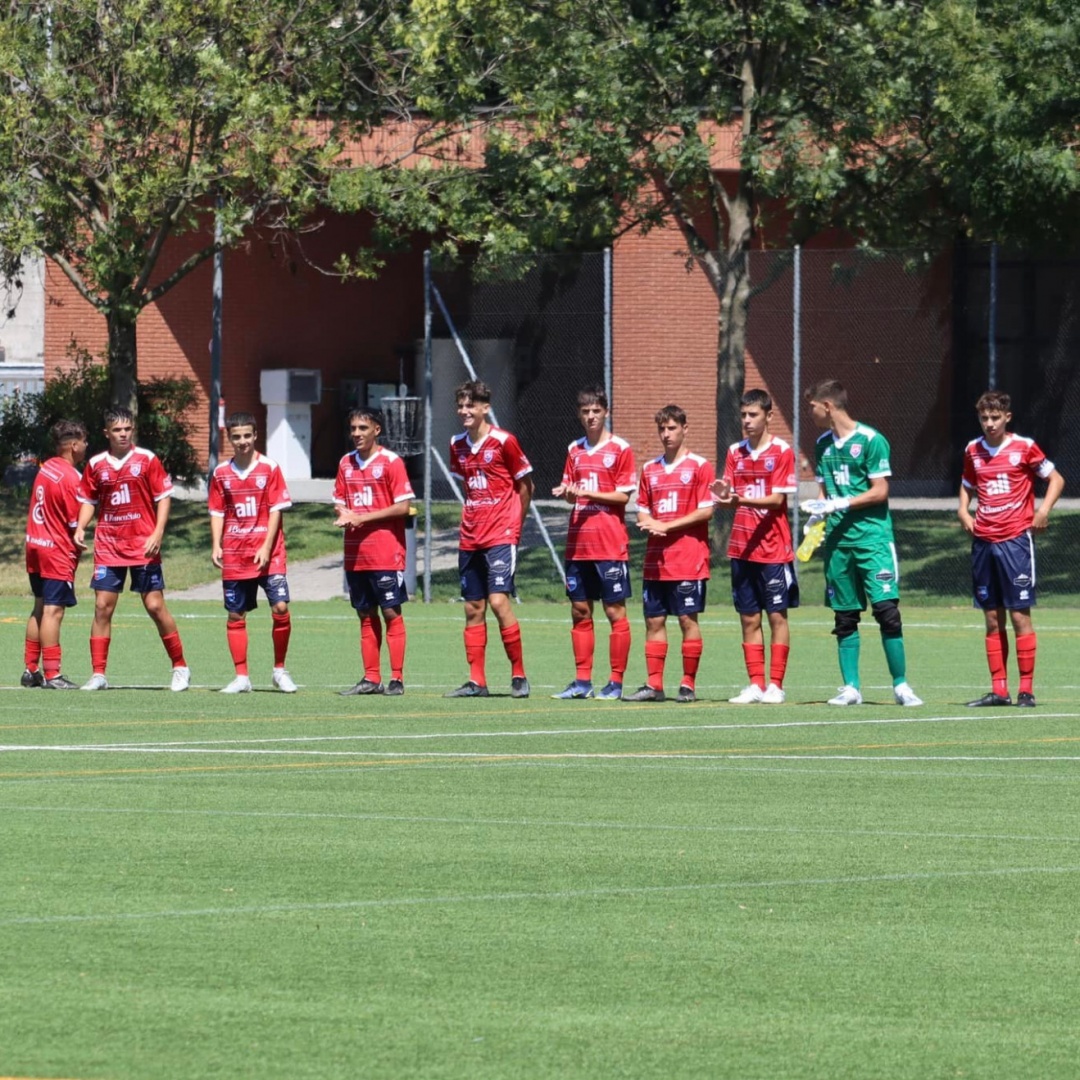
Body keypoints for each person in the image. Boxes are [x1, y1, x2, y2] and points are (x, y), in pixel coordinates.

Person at [801, 379, 922, 707]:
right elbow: (825, 492)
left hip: (873, 540)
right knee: (844, 616)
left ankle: (901, 685)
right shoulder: (822, 444)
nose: (808, 412)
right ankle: (851, 688)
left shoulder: (871, 440)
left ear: (827, 406)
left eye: (811, 406)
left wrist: (840, 504)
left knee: (887, 612)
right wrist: (816, 519)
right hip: (839, 544)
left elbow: (880, 490)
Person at [958, 390, 1065, 707]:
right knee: (992, 618)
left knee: (1019, 616)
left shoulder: (1024, 447)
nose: (989, 424)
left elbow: (1056, 479)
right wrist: (964, 512)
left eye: (994, 418)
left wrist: (1043, 510)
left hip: (1016, 541)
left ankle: (1026, 691)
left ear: (1007, 417)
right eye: (984, 418)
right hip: (983, 542)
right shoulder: (973, 450)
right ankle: (999, 690)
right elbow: (967, 485)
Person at [74, 407, 191, 691]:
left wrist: (157, 532)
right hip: (109, 544)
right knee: (102, 607)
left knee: (154, 605)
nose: (123, 433)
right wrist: (80, 527)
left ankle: (180, 667)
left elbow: (163, 497)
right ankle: (98, 674)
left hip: (143, 546)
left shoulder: (147, 459)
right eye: (117, 430)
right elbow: (89, 500)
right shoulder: (96, 464)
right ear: (107, 433)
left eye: (127, 429)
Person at [445, 380, 534, 698]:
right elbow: (470, 488)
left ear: (485, 408)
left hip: (501, 533)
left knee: (498, 601)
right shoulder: (456, 444)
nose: (465, 411)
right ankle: (476, 681)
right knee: (473, 608)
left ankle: (519, 675)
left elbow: (526, 486)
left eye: (472, 405)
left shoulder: (504, 441)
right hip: (471, 535)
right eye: (461, 405)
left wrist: (514, 525)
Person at [551, 384, 636, 700]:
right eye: (585, 412)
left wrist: (586, 492)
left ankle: (615, 683)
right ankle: (582, 682)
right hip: (579, 545)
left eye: (596, 411)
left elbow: (623, 495)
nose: (591, 416)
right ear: (579, 414)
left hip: (610, 544)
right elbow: (568, 487)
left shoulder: (620, 449)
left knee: (615, 612)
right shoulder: (574, 449)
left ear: (606, 412)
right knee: (579, 611)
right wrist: (570, 493)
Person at [712, 389, 798, 704]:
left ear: (768, 416)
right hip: (741, 547)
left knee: (777, 616)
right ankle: (755, 684)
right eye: (744, 415)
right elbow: (728, 495)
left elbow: (777, 500)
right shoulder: (736, 452)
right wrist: (721, 495)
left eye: (753, 415)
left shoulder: (782, 451)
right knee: (749, 618)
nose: (747, 421)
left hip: (774, 549)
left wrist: (738, 499)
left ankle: (776, 684)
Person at [626, 404, 716, 704]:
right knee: (654, 621)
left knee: (687, 621)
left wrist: (667, 525)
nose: (666, 434)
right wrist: (648, 523)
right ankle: (654, 685)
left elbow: (706, 511)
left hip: (688, 559)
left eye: (672, 428)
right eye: (662, 429)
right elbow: (642, 511)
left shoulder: (700, 467)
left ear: (684, 429)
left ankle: (688, 684)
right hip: (656, 561)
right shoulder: (649, 469)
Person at [208, 412, 296, 694]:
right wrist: (216, 544)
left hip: (268, 553)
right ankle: (241, 677)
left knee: (280, 607)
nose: (242, 441)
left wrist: (267, 546)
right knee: (236, 614)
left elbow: (276, 510)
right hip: (235, 552)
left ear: (255, 435)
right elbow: (217, 511)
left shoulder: (269, 468)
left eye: (247, 435)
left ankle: (279, 671)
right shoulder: (221, 473)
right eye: (237, 436)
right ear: (229, 438)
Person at [333, 407, 415, 696]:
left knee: (391, 611)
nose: (356, 433)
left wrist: (361, 517)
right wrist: (343, 514)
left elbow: (404, 507)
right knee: (365, 613)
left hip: (385, 551)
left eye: (363, 428)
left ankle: (396, 678)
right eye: (353, 428)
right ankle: (371, 678)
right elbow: (340, 500)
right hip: (356, 554)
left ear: (376, 430)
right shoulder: (345, 463)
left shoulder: (391, 462)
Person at [22, 419, 89, 690]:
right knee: (53, 610)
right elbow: (76, 525)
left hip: (34, 545)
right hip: (55, 551)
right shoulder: (72, 478)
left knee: (39, 606)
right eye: (84, 443)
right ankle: (52, 674)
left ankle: (30, 670)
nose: (86, 447)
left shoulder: (46, 467)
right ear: (74, 446)